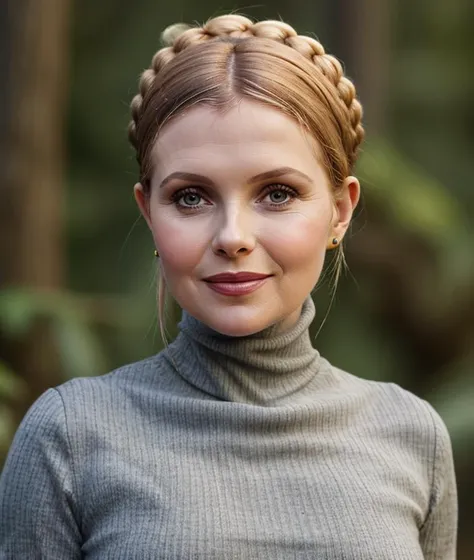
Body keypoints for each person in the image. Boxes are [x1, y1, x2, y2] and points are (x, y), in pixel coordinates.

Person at [0, 14, 457, 559]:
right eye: (191, 197)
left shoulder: (412, 436)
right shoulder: (71, 437)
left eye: (278, 193)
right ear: (149, 213)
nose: (233, 237)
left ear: (340, 211)